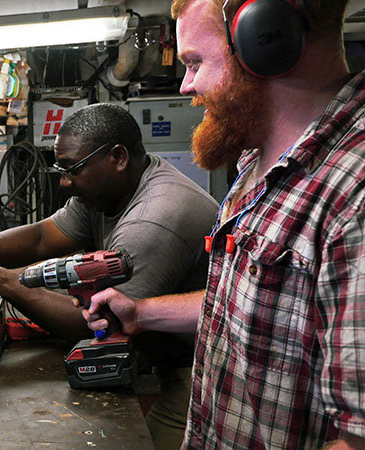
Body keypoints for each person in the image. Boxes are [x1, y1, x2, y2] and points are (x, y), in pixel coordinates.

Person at [84, 1, 365, 448]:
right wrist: (143, 313)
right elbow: (261, 307)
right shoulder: (258, 165)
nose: (187, 84)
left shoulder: (353, 198)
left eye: (195, 62)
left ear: (265, 41)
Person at [0, 103, 219, 450]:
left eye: (72, 170)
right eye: (60, 169)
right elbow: (43, 236)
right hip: (162, 358)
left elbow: (94, 322)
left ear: (118, 157)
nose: (64, 182)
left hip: (200, 376)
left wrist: (4, 283)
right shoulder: (109, 191)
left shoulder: (155, 218)